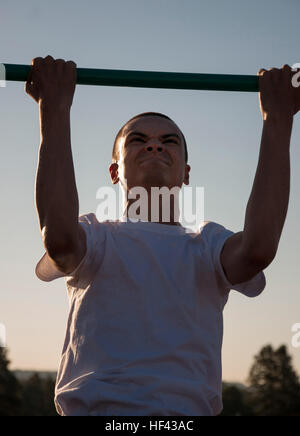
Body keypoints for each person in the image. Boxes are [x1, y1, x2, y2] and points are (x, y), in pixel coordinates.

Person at [26, 55, 299, 416]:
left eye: (169, 141)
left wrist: (277, 121)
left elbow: (258, 250)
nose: (154, 145)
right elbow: (58, 238)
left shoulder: (207, 244)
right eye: (138, 140)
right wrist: (55, 108)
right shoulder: (95, 238)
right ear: (114, 170)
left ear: (186, 172)